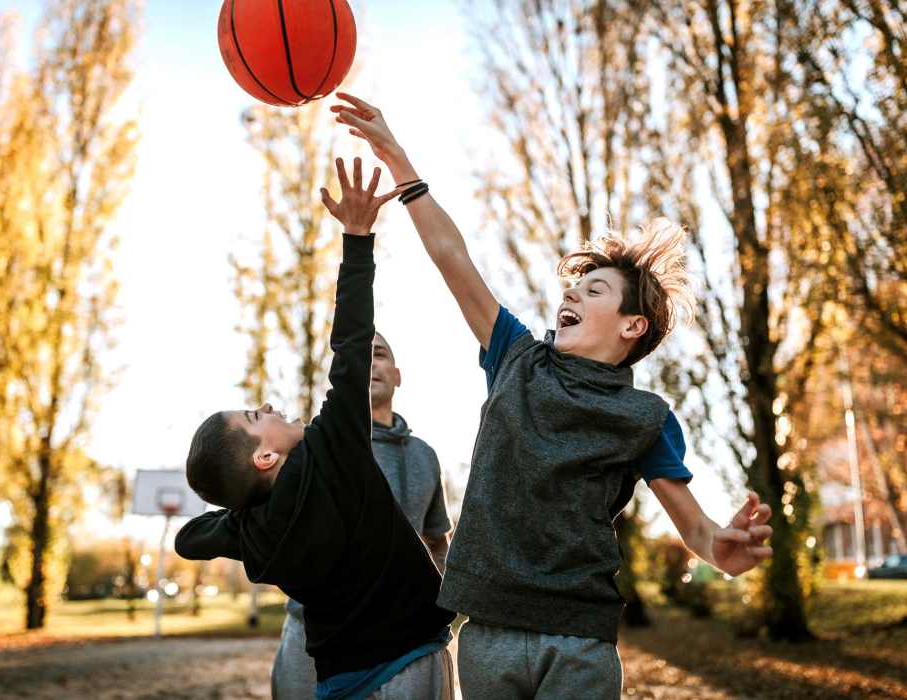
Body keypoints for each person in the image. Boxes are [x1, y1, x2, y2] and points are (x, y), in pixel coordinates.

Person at [330, 93, 774, 699]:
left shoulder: (646, 418)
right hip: (486, 631)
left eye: (595, 290)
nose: (573, 297)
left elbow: (696, 530)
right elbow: (453, 258)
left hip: (579, 641)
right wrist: (399, 159)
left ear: (631, 326)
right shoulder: (516, 356)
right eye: (575, 288)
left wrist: (722, 548)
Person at [174, 157, 456, 700]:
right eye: (258, 417)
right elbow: (351, 340)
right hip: (408, 659)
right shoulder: (334, 451)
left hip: (337, 679)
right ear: (264, 458)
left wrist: (240, 515)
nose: (270, 406)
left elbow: (189, 540)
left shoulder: (252, 533)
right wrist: (357, 237)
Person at [272, 331, 453, 699]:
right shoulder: (310, 449)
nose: (370, 363)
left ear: (398, 375)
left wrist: (432, 601)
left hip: (405, 641)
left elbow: (436, 540)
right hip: (314, 636)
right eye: (361, 356)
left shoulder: (424, 455)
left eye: (380, 354)